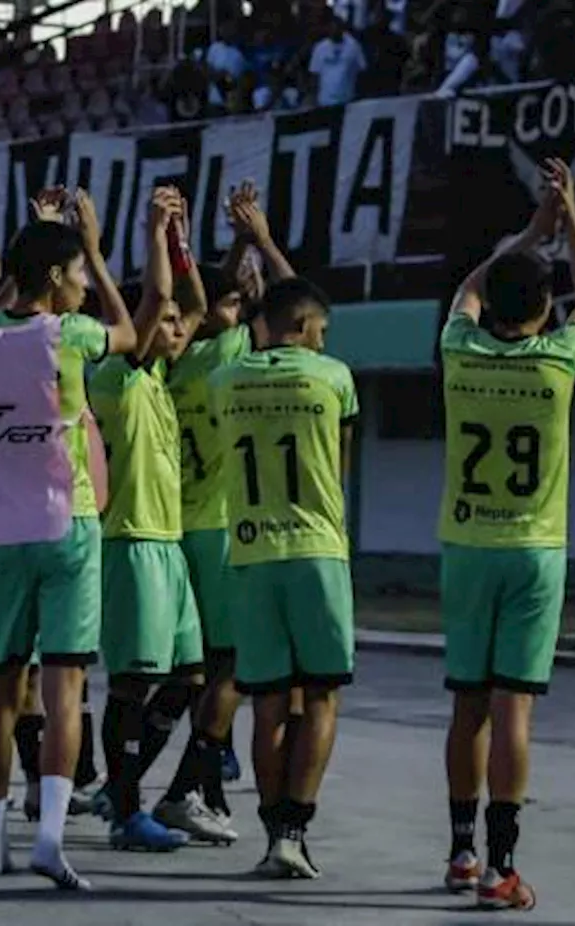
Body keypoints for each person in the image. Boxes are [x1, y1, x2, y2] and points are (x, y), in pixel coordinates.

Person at [0, 188, 137, 890]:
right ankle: (52, 837)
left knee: (0, 689)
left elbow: (2, 300)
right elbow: (130, 328)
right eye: (79, 275)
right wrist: (87, 242)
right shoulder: (72, 336)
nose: (86, 285)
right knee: (63, 688)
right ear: (61, 278)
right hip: (67, 523)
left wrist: (37, 244)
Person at [439, 159, 575, 912]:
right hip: (533, 551)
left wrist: (529, 232)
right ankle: (505, 866)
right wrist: (567, 223)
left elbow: (467, 290)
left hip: (466, 546)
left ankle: (462, 852)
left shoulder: (460, 352)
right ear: (544, 308)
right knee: (514, 708)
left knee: (466, 705)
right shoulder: (558, 362)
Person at [154, 183, 296, 828]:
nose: (245, 302)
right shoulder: (231, 356)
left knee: (199, 669)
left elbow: (207, 295)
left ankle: (198, 785)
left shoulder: (172, 363)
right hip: (220, 529)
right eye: (237, 300)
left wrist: (235, 244)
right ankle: (182, 788)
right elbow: (297, 306)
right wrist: (262, 239)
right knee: (233, 668)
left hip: (178, 523)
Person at [88, 188, 225, 850]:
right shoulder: (119, 375)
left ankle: (120, 787)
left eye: (174, 323)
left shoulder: (160, 380)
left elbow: (194, 303)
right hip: (132, 543)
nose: (179, 326)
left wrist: (181, 240)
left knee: (188, 679)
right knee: (134, 684)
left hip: (166, 544)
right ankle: (124, 813)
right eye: (165, 321)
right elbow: (157, 303)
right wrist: (151, 231)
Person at [210, 276, 357, 879]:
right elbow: (339, 457)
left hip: (250, 552)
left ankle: (273, 835)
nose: (323, 341)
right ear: (301, 326)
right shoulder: (334, 377)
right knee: (320, 695)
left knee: (267, 703)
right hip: (317, 550)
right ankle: (297, 829)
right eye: (319, 330)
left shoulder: (226, 380)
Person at [308, 15, 367, 106]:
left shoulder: (353, 46)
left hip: (347, 100)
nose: (334, 31)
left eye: (337, 28)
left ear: (342, 29)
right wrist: (313, 99)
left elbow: (362, 70)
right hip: (324, 101)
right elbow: (315, 74)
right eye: (332, 28)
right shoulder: (320, 48)